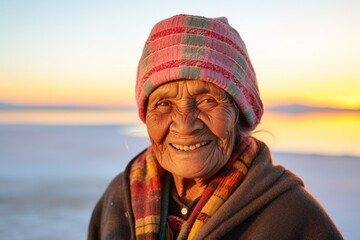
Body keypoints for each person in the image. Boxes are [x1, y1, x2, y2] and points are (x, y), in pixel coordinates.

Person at [88, 14, 343, 240]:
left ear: (239, 113)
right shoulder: (120, 202)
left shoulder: (293, 218)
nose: (185, 124)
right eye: (164, 103)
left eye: (208, 100)